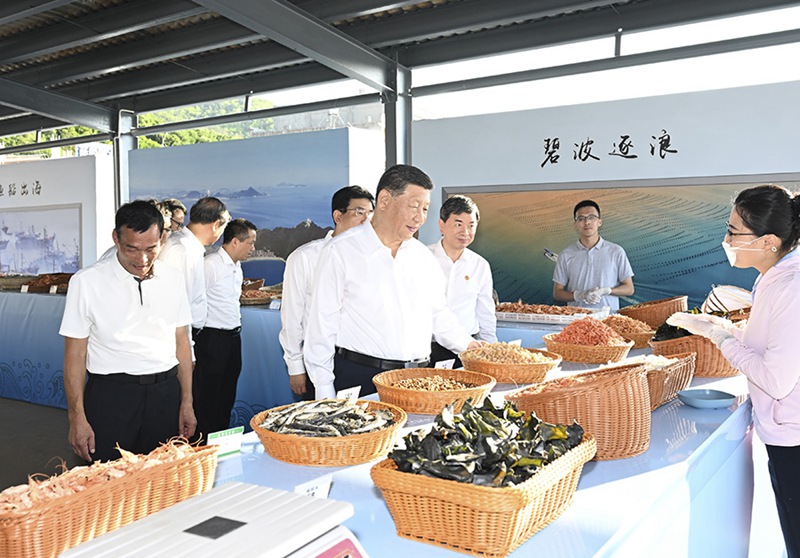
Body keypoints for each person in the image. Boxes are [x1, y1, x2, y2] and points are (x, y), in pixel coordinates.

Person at [667, 184, 800, 557]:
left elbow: (776, 378)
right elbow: (771, 346)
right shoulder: (772, 277)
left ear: (768, 241)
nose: (726, 240)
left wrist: (722, 339)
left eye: (733, 232)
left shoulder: (791, 284)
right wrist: (727, 330)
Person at [303, 164, 482, 400]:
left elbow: (438, 315)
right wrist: (324, 389)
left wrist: (470, 347)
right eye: (414, 206)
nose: (420, 218)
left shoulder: (422, 257)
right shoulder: (341, 251)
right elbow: (321, 326)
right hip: (362, 378)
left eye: (426, 209)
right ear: (385, 199)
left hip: (418, 379)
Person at [59, 200, 195, 462]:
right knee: (106, 484)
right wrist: (76, 418)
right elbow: (74, 355)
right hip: (111, 398)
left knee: (163, 483)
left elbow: (181, 342)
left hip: (165, 394)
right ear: (116, 239)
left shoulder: (174, 279)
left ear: (162, 239)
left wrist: (186, 401)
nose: (142, 259)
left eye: (151, 249)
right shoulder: (86, 283)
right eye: (132, 249)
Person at [279, 186, 375, 397]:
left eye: (370, 214)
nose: (366, 220)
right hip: (319, 360)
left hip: (361, 362)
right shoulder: (305, 257)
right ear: (337, 216)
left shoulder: (373, 258)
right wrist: (296, 367)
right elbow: (292, 317)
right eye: (359, 212)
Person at [193, 218, 257, 440]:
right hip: (212, 338)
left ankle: (221, 442)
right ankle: (203, 445)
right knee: (208, 396)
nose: (253, 248)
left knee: (227, 393)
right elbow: (195, 300)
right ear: (235, 242)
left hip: (232, 337)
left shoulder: (236, 267)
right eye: (250, 243)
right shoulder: (210, 265)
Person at [428, 195, 497, 367]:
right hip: (428, 349)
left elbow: (485, 313)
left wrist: (491, 349)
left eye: (471, 225)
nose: (465, 232)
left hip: (468, 350)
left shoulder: (480, 265)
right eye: (458, 224)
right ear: (441, 225)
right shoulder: (423, 259)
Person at [158, 196, 230, 335]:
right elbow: (178, 305)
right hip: (183, 334)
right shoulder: (183, 250)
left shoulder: (186, 246)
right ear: (215, 225)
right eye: (223, 227)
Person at [552, 199, 634, 312]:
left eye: (591, 217)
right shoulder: (565, 255)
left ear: (599, 222)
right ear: (575, 224)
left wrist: (607, 290)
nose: (587, 222)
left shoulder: (616, 251)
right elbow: (557, 293)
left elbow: (629, 288)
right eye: (581, 219)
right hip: (576, 320)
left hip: (608, 319)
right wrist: (579, 295)